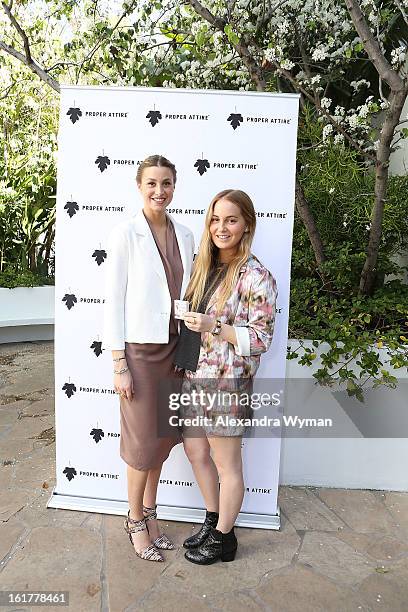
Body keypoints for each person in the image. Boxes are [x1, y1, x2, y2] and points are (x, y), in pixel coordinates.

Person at [174, 189, 277, 565]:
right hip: (194, 377)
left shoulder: (257, 276)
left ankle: (224, 539)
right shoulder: (204, 265)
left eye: (231, 219)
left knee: (227, 464)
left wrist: (215, 326)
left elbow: (261, 338)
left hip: (226, 384)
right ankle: (212, 518)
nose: (221, 227)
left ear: (246, 224)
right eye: (215, 219)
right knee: (196, 451)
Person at [103, 154, 194, 562]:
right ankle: (134, 520)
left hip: (176, 349)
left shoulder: (188, 234)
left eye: (167, 183)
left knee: (160, 441)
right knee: (141, 445)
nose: (160, 190)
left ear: (175, 187)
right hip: (139, 354)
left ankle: (152, 515)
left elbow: (190, 297)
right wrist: (119, 364)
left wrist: (189, 353)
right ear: (139, 186)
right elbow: (113, 303)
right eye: (152, 183)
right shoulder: (125, 234)